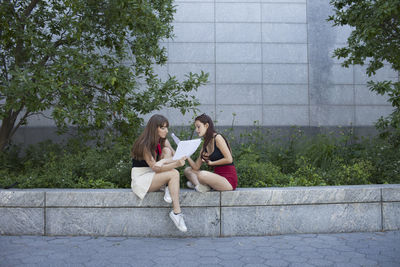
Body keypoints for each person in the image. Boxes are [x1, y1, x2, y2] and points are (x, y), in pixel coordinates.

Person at [130, 114, 188, 232]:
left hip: (153, 174)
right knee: (174, 173)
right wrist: (175, 164)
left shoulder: (163, 140)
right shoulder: (144, 144)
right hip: (142, 178)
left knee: (167, 151)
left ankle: (167, 187)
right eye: (163, 128)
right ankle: (176, 213)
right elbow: (156, 168)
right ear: (154, 128)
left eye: (167, 127)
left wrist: (165, 160)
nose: (166, 130)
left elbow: (174, 155)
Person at [184, 113, 238, 192]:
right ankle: (199, 186)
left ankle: (200, 185)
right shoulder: (205, 144)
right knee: (187, 170)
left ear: (206, 126)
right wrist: (186, 156)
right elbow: (196, 167)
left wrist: (212, 163)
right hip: (216, 177)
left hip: (228, 181)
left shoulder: (218, 138)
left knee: (202, 174)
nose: (196, 130)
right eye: (196, 127)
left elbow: (229, 159)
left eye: (198, 127)